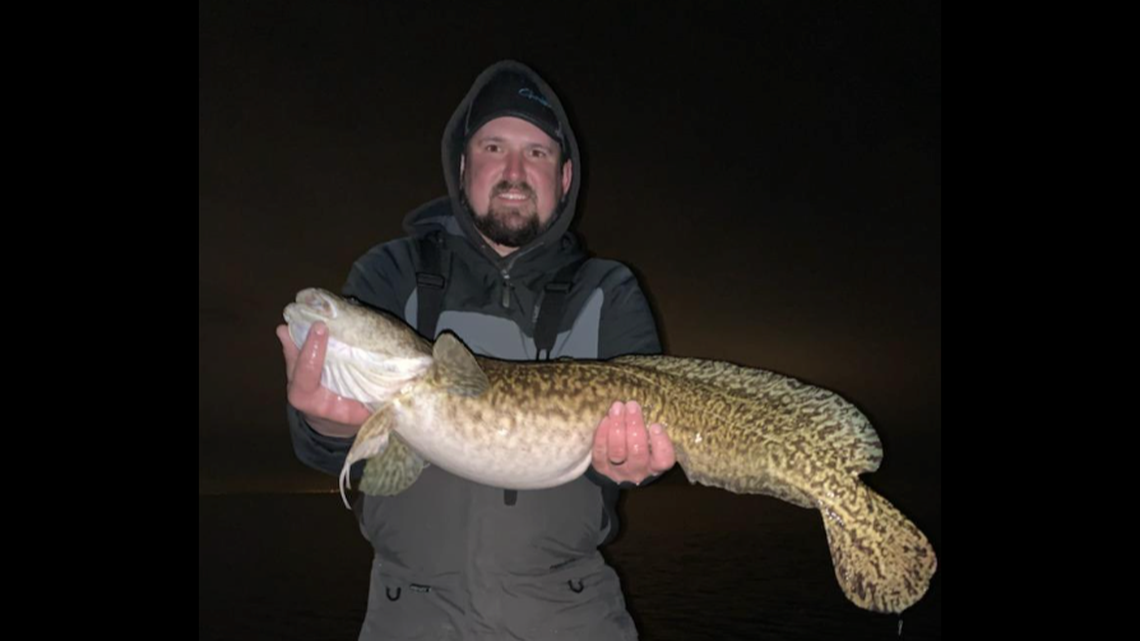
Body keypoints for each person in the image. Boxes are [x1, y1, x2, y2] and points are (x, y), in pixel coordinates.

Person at [276, 59, 675, 640]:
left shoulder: (608, 291)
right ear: (462, 168)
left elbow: (640, 454)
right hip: (408, 614)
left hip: (569, 612)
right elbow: (327, 446)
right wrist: (327, 427)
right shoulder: (393, 271)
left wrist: (634, 466)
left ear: (565, 178)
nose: (514, 169)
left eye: (537, 153)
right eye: (493, 146)